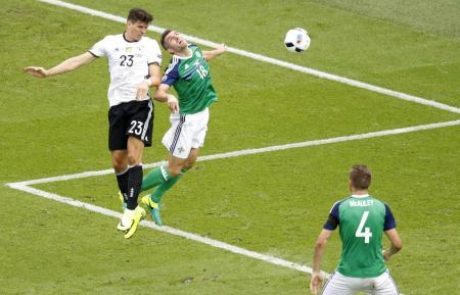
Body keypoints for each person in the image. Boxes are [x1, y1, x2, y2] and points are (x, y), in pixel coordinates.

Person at [24, 8, 162, 239]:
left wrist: (146, 83)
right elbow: (79, 60)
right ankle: (131, 202)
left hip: (140, 105)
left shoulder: (150, 46)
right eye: (139, 26)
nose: (143, 31)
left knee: (133, 156)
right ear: (128, 23)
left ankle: (130, 210)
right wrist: (49, 72)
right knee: (118, 162)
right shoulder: (109, 43)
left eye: (145, 28)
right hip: (117, 107)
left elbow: (156, 75)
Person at [138, 29, 226, 225]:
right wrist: (169, 96)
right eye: (172, 39)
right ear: (170, 50)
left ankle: (153, 199)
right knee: (173, 169)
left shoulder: (194, 50)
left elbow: (203, 56)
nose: (177, 37)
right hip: (187, 120)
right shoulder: (175, 68)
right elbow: (159, 92)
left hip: (203, 114)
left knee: (189, 163)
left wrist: (218, 51)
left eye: (177, 34)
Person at [310, 165, 403, 295]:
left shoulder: (340, 207)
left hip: (346, 276)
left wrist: (316, 271)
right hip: (377, 276)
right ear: (369, 183)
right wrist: (387, 253)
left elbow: (320, 242)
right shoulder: (382, 207)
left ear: (350, 183)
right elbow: (397, 244)